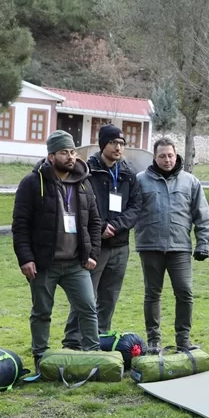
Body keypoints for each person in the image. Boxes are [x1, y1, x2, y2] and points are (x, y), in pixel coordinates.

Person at [11, 131, 102, 370]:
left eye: (73, 152)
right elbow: (20, 225)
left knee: (88, 307)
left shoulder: (84, 183)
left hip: (75, 264)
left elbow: (94, 221)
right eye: (64, 152)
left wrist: (92, 254)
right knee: (42, 311)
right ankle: (40, 358)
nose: (71, 157)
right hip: (43, 263)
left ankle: (94, 355)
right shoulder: (32, 183)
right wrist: (26, 258)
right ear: (51, 156)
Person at [63, 124, 143, 344]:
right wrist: (100, 228)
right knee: (86, 295)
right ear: (103, 144)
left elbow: (136, 206)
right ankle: (73, 339)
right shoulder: (87, 172)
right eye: (113, 143)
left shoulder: (128, 173)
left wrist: (116, 226)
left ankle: (100, 337)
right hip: (95, 246)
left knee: (109, 296)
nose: (118, 148)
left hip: (120, 245)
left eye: (121, 144)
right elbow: (79, 204)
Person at [134, 136, 209, 351]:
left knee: (185, 293)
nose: (167, 160)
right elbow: (131, 211)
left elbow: (202, 214)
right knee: (152, 294)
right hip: (150, 247)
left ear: (176, 154)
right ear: (154, 157)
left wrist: (203, 243)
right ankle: (153, 340)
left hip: (180, 248)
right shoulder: (140, 181)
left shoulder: (190, 182)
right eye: (162, 156)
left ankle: (183, 341)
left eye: (170, 155)